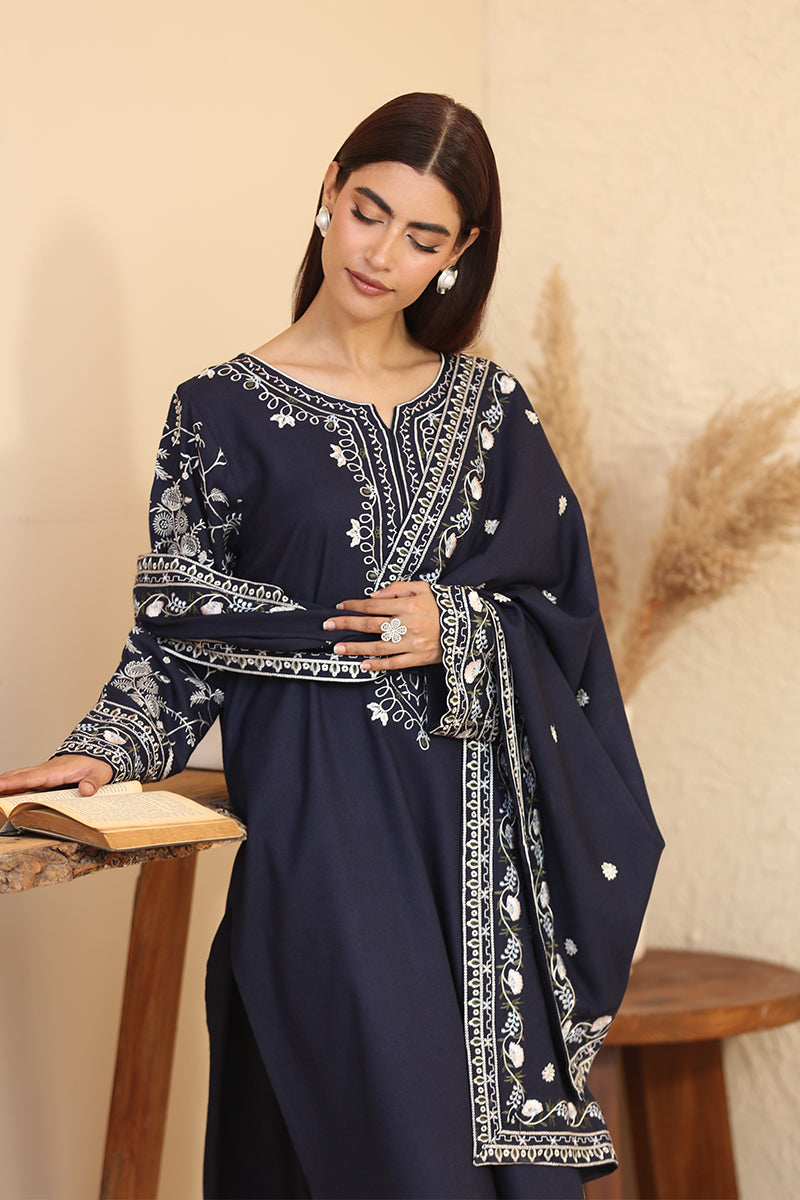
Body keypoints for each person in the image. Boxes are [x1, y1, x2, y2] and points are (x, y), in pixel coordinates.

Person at [0, 93, 663, 1199]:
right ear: (327, 188)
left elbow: (564, 626)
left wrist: (457, 624)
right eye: (368, 211)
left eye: (422, 237)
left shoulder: (493, 411)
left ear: (460, 255)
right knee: (394, 1151)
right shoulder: (217, 409)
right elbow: (178, 643)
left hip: (474, 846)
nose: (382, 254)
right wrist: (106, 748)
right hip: (320, 829)